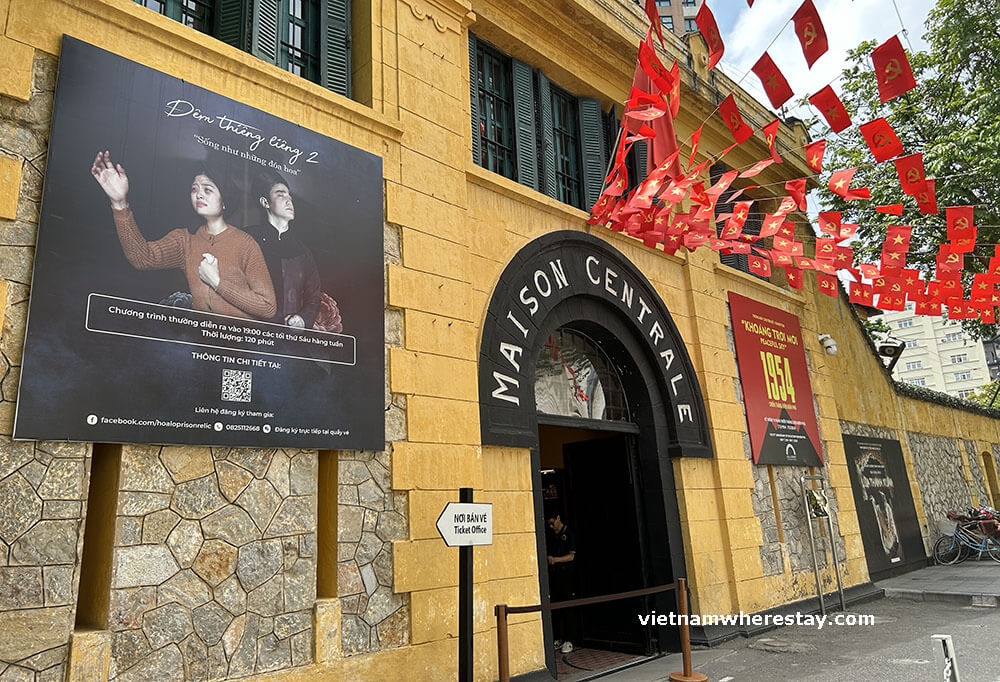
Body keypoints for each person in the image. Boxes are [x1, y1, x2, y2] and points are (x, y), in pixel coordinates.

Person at [90, 151, 276, 320]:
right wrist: (119, 202)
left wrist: (217, 282)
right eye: (194, 189)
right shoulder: (184, 240)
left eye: (207, 189)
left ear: (225, 200)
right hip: (200, 346)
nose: (198, 195)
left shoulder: (246, 244)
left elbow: (267, 307)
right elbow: (142, 258)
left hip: (242, 350)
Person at [245, 171, 322, 329]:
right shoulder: (246, 239)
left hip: (289, 342)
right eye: (281, 195)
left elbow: (313, 297)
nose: (289, 201)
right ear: (265, 202)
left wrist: (302, 319)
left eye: (290, 196)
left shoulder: (303, 252)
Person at [546, 511, 578, 654]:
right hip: (555, 574)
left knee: (568, 607)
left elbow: (571, 556)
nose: (552, 526)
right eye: (549, 524)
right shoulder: (552, 536)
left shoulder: (569, 534)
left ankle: (569, 639)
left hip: (567, 573)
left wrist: (555, 560)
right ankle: (559, 637)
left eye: (553, 522)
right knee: (556, 607)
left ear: (559, 518)